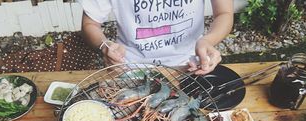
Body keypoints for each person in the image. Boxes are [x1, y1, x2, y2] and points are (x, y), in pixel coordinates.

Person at [81, 0, 233, 75]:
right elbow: (90, 24)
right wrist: (104, 45)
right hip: (129, 67)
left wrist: (208, 40)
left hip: (191, 64)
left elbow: (224, 13)